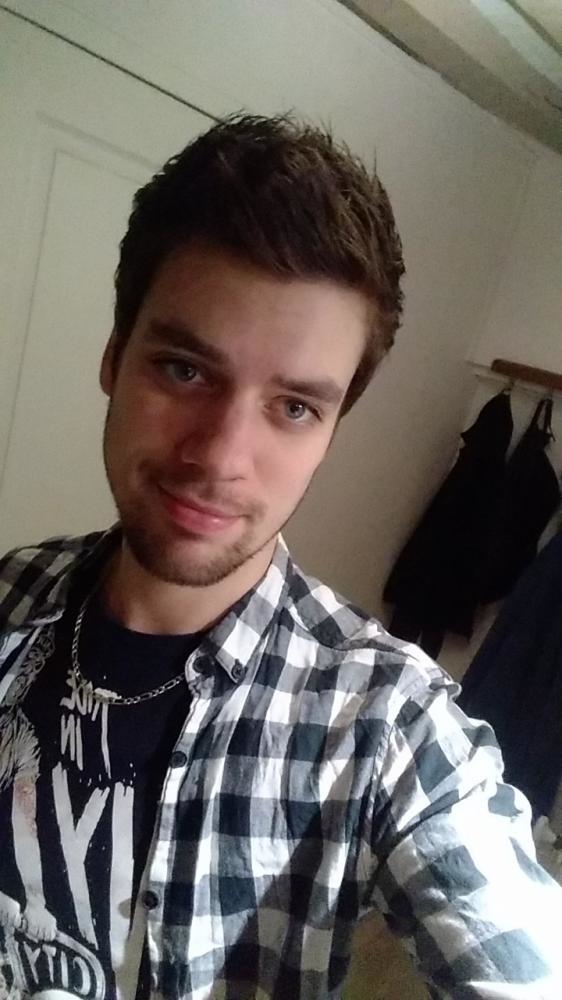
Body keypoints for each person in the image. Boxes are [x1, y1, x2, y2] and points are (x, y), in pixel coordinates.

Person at [0, 114, 560, 1000]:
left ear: (332, 430)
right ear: (114, 357)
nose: (221, 456)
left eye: (294, 407)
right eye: (185, 369)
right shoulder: (13, 590)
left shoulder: (387, 726)